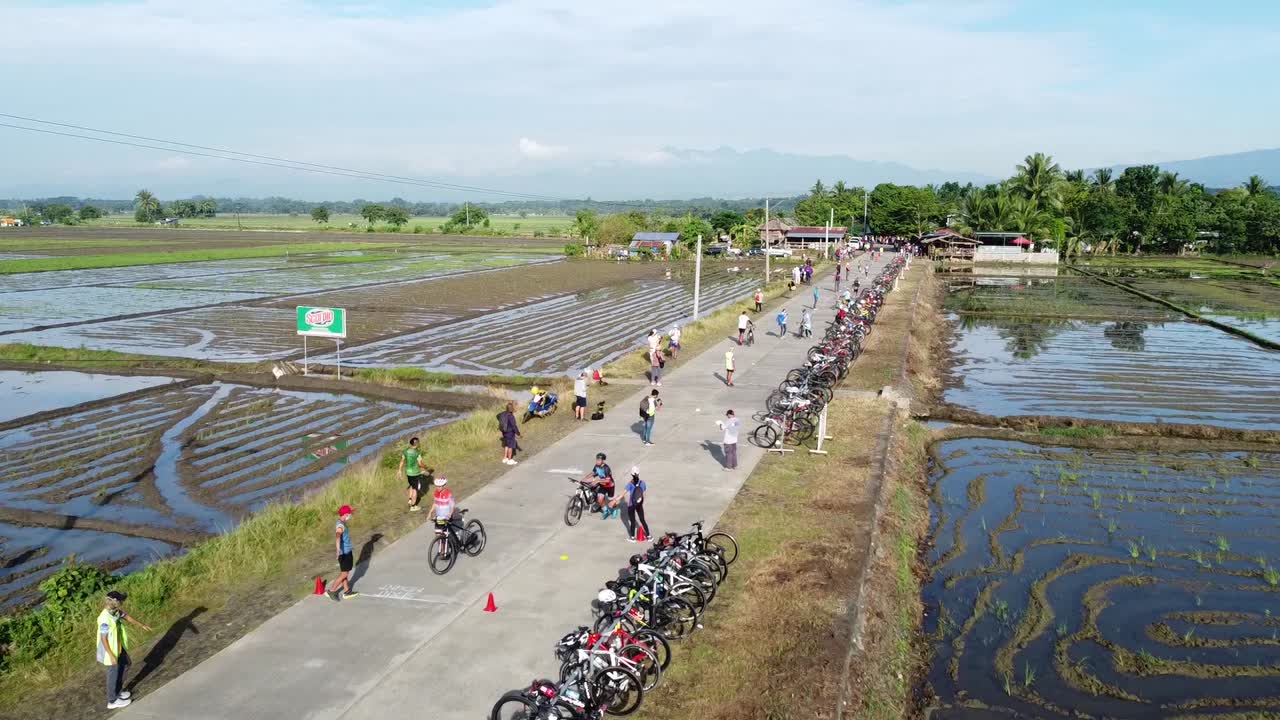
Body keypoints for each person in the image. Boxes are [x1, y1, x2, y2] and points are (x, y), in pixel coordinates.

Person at [98, 590, 151, 710]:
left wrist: (141, 625)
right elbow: (103, 639)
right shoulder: (104, 619)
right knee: (113, 673)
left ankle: (118, 691)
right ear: (114, 601)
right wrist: (110, 655)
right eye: (121, 600)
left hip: (118, 647)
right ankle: (112, 701)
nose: (122, 602)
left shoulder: (114, 612)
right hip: (110, 650)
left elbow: (125, 616)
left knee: (126, 664)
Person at [609, 467, 649, 542]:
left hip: (631, 505)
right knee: (642, 520)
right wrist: (640, 503)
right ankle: (649, 536)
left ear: (631, 474)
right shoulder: (642, 483)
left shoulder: (630, 484)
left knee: (632, 521)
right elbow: (644, 494)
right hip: (639, 504)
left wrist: (614, 501)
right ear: (638, 473)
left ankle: (632, 538)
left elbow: (622, 494)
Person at [326, 505, 357, 600]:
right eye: (349, 514)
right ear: (345, 514)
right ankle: (332, 591)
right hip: (344, 553)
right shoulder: (340, 525)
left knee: (345, 572)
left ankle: (347, 591)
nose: (350, 515)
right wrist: (338, 550)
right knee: (344, 574)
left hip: (346, 551)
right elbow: (338, 536)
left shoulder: (342, 522)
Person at [581, 452, 616, 518]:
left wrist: (597, 480)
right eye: (597, 459)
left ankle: (614, 510)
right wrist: (585, 478)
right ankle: (605, 511)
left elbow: (608, 480)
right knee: (599, 499)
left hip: (610, 486)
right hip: (603, 485)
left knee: (611, 502)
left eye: (599, 460)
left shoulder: (606, 468)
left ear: (603, 461)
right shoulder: (596, 466)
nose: (597, 461)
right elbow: (593, 473)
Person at [399, 436, 427, 512]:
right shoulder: (417, 453)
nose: (419, 443)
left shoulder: (405, 451)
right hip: (415, 474)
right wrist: (425, 467)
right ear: (416, 443)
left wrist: (399, 471)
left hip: (408, 473)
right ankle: (413, 506)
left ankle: (410, 500)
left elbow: (402, 461)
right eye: (418, 442)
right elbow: (420, 464)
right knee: (415, 490)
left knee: (411, 486)